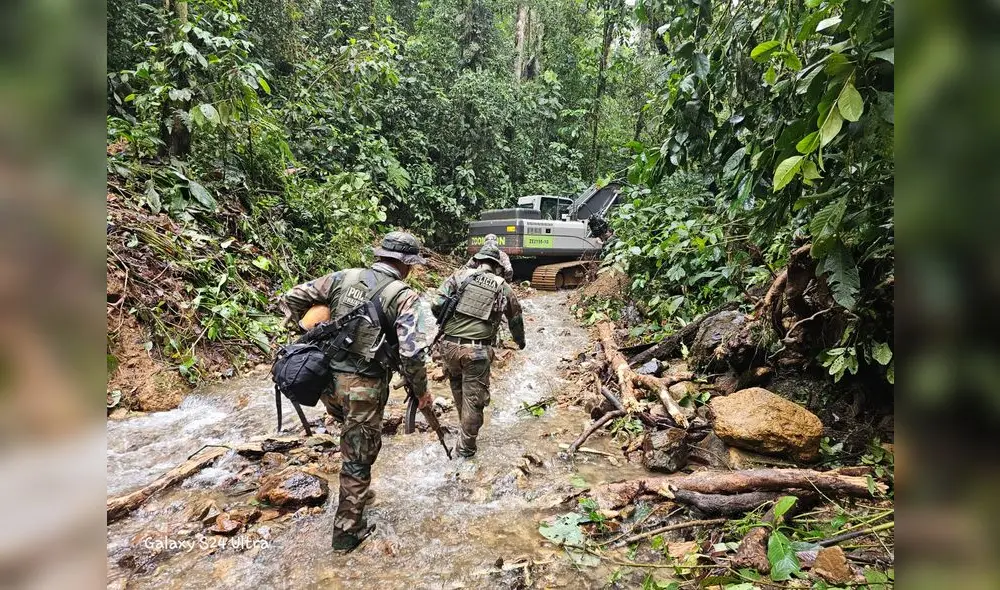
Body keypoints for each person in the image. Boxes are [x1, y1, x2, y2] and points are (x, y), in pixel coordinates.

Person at [279, 231, 433, 553]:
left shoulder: (342, 277)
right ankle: (347, 532)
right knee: (358, 459)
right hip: (363, 390)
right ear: (407, 265)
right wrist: (421, 392)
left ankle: (357, 494)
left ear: (380, 255)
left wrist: (306, 329)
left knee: (352, 442)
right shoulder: (405, 297)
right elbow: (412, 354)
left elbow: (293, 297)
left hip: (326, 383)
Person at [433, 243, 525, 458]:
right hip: (476, 352)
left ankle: (463, 432)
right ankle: (465, 453)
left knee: (458, 389)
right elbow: (515, 317)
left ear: (477, 261)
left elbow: (436, 304)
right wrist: (520, 342)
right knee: (474, 401)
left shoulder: (458, 277)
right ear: (497, 266)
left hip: (448, 347)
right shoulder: (502, 285)